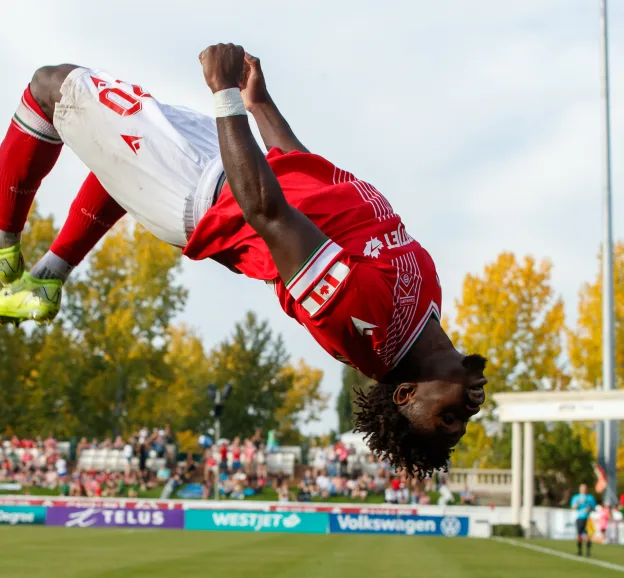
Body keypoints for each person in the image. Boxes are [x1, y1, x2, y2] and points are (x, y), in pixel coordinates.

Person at [0, 45, 487, 476]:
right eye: (465, 419)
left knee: (50, 86)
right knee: (110, 156)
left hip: (201, 190)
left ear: (407, 395)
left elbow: (268, 212)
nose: (467, 409)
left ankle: (3, 258)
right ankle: (47, 278)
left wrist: (224, 94)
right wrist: (259, 106)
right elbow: (317, 187)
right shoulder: (427, 300)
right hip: (228, 164)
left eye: (449, 418)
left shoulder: (369, 324)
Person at [570, 483, 597, 558]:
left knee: (588, 535)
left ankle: (588, 552)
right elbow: (573, 507)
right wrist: (578, 503)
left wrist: (590, 509)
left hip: (588, 519)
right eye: (582, 488)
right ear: (580, 489)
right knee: (579, 535)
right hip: (579, 518)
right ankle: (579, 551)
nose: (583, 489)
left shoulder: (590, 498)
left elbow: (594, 508)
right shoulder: (576, 497)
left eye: (585, 488)